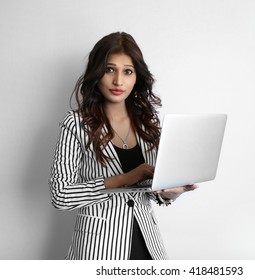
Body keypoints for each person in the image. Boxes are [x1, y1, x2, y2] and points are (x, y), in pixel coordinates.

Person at [49, 32, 197, 260]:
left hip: (148, 245)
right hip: (98, 248)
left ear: (137, 77)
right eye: (110, 70)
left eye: (127, 71)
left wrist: (170, 194)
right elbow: (60, 195)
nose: (118, 81)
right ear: (97, 73)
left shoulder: (147, 124)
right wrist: (124, 178)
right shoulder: (76, 124)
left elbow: (152, 193)